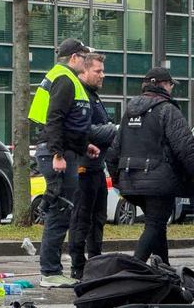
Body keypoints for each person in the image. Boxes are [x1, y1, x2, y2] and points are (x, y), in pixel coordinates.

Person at [107, 67, 194, 265]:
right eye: (170, 84)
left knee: (158, 224)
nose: (171, 88)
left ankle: (164, 268)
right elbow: (185, 146)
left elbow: (115, 148)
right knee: (154, 223)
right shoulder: (167, 110)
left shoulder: (129, 111)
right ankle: (134, 268)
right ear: (162, 85)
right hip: (158, 181)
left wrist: (116, 177)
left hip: (129, 179)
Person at [28, 38, 99, 288]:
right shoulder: (65, 80)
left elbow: (69, 122)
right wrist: (58, 154)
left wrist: (82, 146)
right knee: (60, 212)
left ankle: (52, 270)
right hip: (57, 154)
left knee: (61, 210)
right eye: (84, 56)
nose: (87, 60)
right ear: (74, 58)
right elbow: (55, 118)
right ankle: (50, 272)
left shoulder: (65, 78)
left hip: (64, 151)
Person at [68, 53, 116, 280]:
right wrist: (114, 130)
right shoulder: (81, 96)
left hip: (97, 167)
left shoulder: (94, 96)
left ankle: (95, 263)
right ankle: (78, 266)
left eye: (103, 70)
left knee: (98, 218)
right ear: (84, 71)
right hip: (83, 167)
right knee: (82, 218)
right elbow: (85, 131)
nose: (102, 75)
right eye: (98, 71)